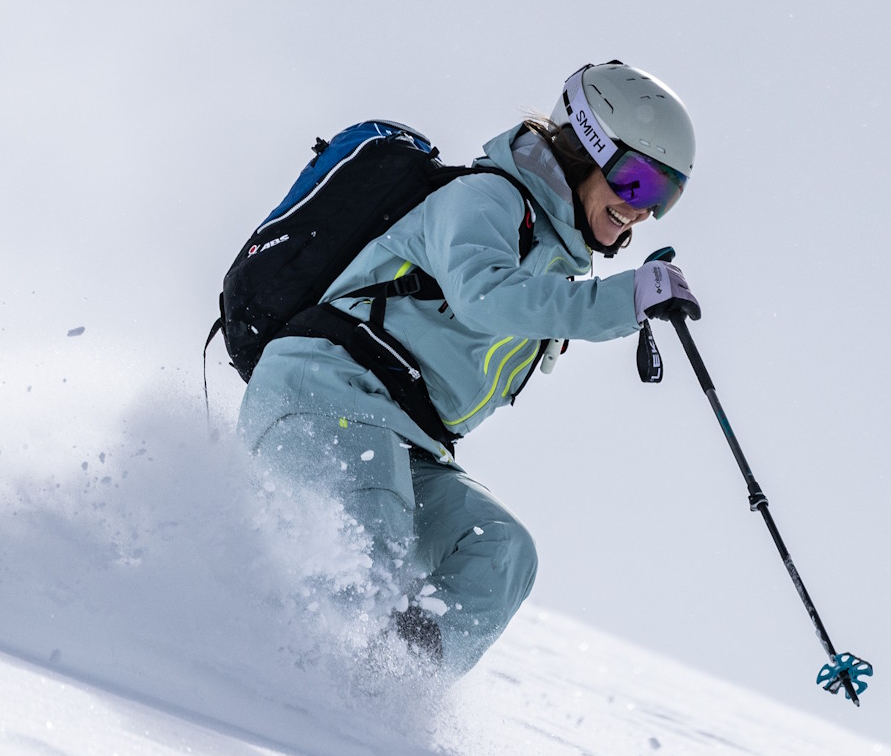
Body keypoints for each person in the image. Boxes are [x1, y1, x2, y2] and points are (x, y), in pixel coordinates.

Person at [239, 62, 701, 677]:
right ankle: (283, 682)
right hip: (325, 391)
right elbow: (485, 296)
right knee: (364, 563)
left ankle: (388, 692)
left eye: (664, 197)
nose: (642, 210)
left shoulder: (552, 263)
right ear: (588, 147)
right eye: (637, 183)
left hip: (406, 443)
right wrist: (624, 300)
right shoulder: (486, 198)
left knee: (501, 551)